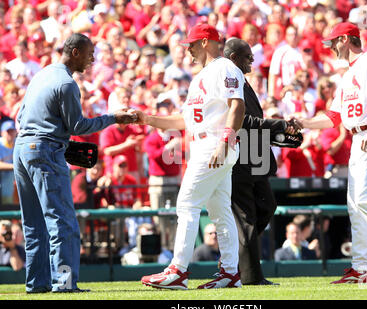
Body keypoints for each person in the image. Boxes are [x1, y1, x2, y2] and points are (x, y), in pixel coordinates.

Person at [291, 22, 367, 284]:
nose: (331, 47)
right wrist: (304, 122)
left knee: (364, 200)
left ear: (347, 39)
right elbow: (334, 116)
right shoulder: (347, 75)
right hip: (359, 137)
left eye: (334, 41)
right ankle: (360, 269)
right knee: (355, 206)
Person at [13, 33, 139, 294]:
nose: (92, 59)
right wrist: (113, 117)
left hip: (22, 149)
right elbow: (79, 126)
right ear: (75, 53)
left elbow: (20, 117)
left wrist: (50, 136)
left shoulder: (41, 74)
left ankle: (37, 284)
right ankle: (64, 283)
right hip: (45, 151)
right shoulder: (67, 83)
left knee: (34, 223)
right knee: (63, 222)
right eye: (89, 53)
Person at [139, 24, 246, 290]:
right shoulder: (200, 76)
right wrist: (147, 119)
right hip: (204, 144)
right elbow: (183, 120)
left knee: (187, 204)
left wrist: (225, 140)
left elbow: (238, 105)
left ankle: (178, 270)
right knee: (220, 212)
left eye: (193, 44)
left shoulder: (225, 67)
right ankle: (231, 273)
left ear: (208, 42)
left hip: (215, 143)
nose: (188, 49)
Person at [223, 38, 295, 285]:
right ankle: (250, 276)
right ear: (233, 58)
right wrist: (280, 125)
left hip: (255, 158)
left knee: (266, 208)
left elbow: (253, 122)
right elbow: (241, 123)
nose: (252, 62)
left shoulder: (241, 81)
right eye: (247, 57)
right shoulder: (229, 82)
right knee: (247, 221)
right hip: (239, 158)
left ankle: (235, 258)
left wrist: (281, 137)